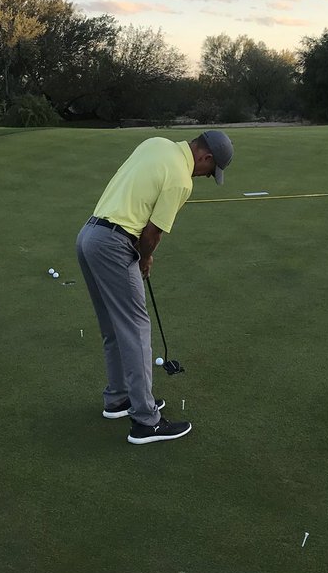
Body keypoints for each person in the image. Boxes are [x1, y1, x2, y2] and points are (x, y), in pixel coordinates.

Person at [75, 130, 234, 445]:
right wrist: (144, 259)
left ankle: (119, 398)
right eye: (209, 172)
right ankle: (146, 421)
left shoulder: (156, 143)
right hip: (114, 244)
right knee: (136, 329)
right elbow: (152, 233)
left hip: (88, 236)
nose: (203, 177)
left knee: (113, 326)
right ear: (205, 158)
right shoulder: (181, 180)